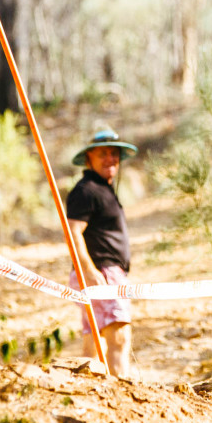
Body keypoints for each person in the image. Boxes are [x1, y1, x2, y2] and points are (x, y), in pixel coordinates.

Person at [67, 128, 138, 377]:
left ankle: (91, 396)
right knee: (118, 337)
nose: (110, 158)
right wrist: (88, 269)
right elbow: (73, 231)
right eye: (103, 154)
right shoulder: (86, 190)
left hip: (103, 271)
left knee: (94, 339)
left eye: (114, 153)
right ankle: (122, 399)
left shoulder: (102, 188)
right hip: (101, 271)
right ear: (89, 159)